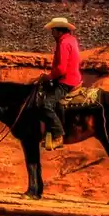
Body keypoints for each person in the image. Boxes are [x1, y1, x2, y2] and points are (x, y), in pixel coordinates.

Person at [39, 17, 82, 151]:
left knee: (46, 104)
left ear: (58, 31)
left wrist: (48, 77)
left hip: (66, 80)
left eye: (53, 31)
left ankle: (58, 135)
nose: (52, 33)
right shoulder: (71, 40)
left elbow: (62, 68)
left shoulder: (63, 43)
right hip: (74, 77)